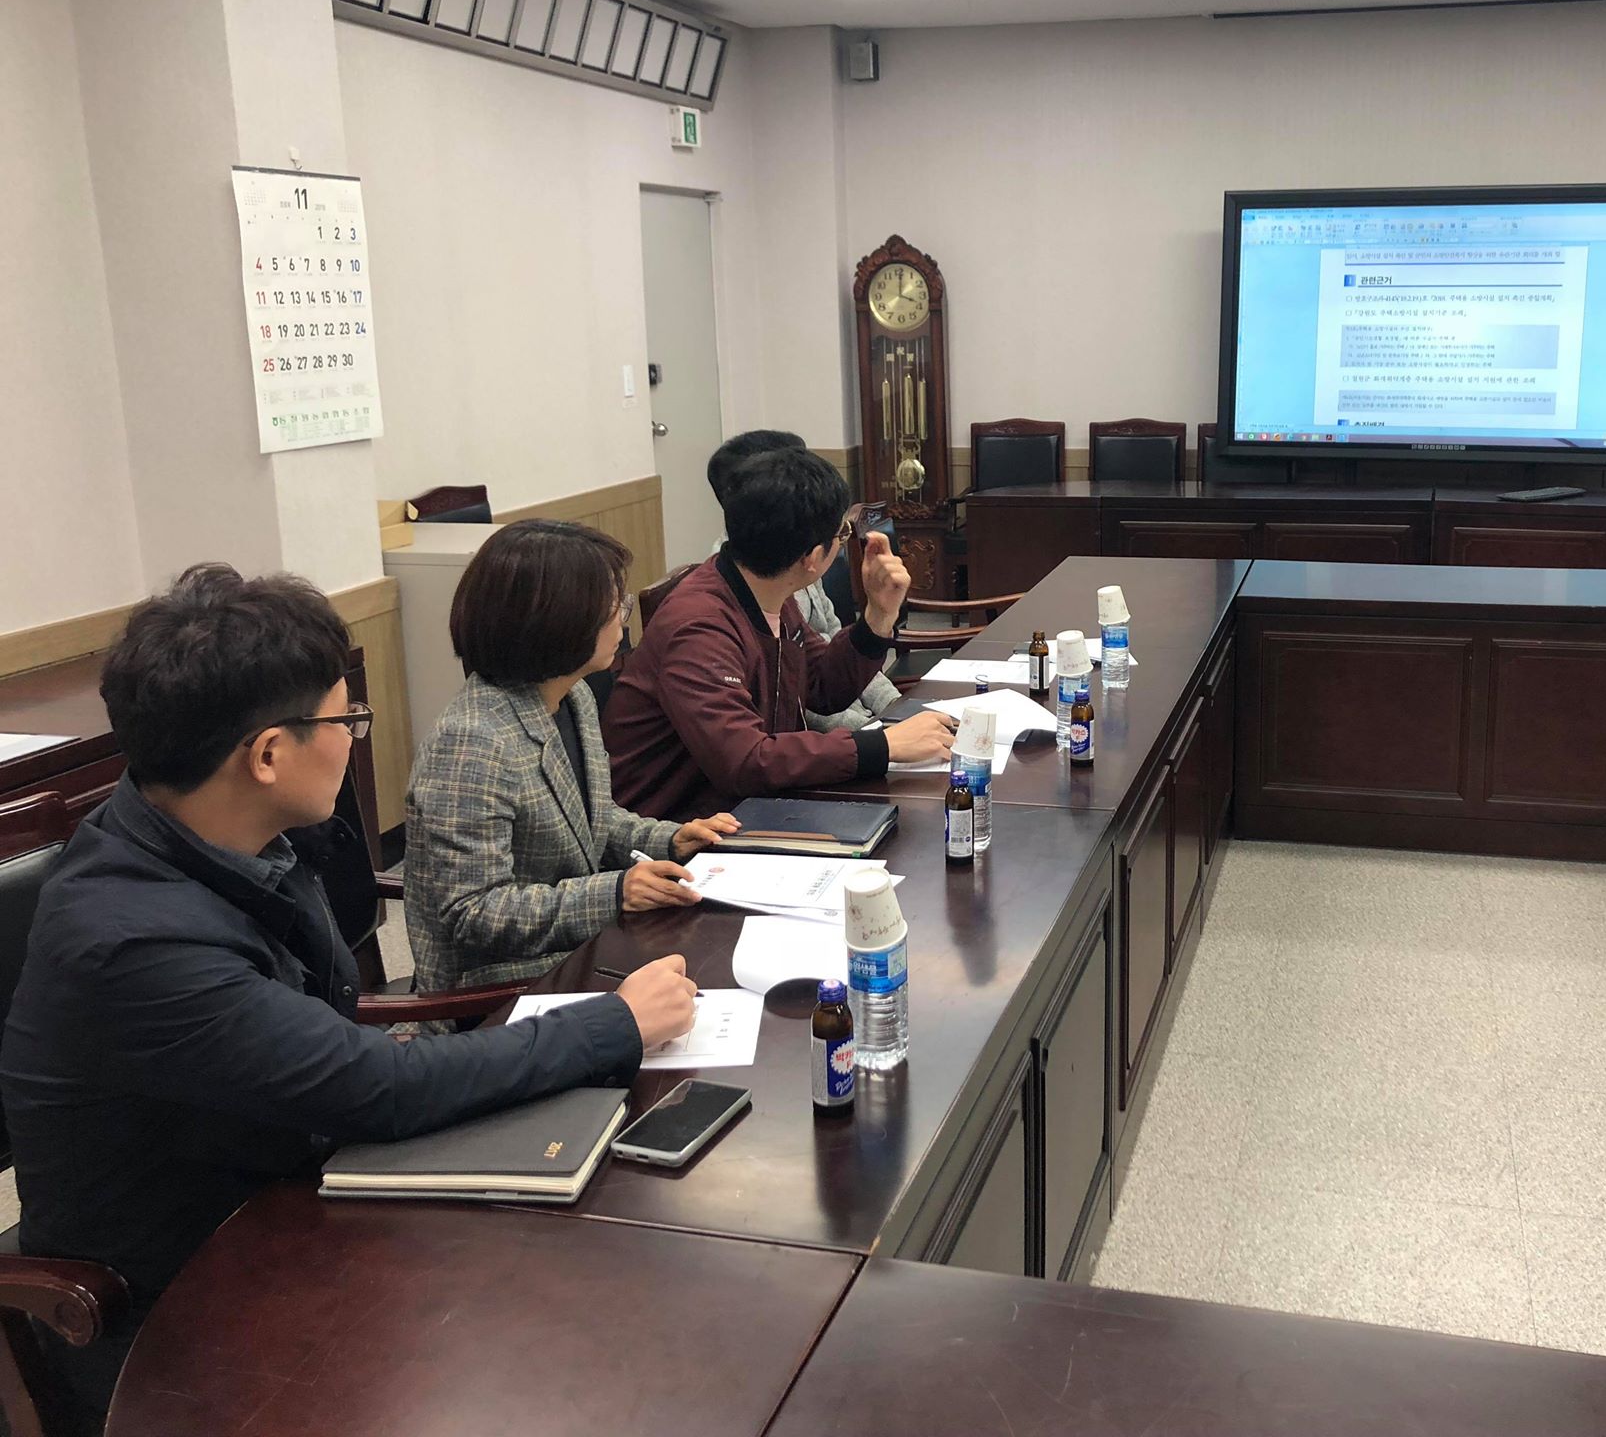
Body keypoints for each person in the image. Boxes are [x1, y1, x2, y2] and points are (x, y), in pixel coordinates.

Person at [0, 566, 700, 1427]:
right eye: (345, 721)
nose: (354, 738)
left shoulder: (222, 834)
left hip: (288, 1184)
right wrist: (614, 1023)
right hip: (180, 1297)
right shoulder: (134, 942)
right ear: (267, 754)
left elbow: (329, 1038)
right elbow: (372, 1087)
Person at [405, 519, 739, 1000]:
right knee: (703, 975)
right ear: (560, 623)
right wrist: (614, 892)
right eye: (614, 608)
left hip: (574, 949)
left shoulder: (572, 695)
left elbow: (592, 821)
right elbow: (474, 913)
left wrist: (670, 840)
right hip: (497, 987)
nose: (623, 620)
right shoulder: (472, 741)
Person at [604, 446, 957, 816]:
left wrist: (878, 615)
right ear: (812, 558)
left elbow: (822, 688)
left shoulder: (767, 590)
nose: (843, 542)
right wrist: (882, 746)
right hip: (677, 827)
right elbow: (743, 761)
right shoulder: (698, 627)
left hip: (748, 806)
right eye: (842, 533)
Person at [704, 430, 903, 732]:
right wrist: (879, 736)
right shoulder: (717, 610)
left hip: (839, 732)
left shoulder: (781, 579)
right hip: (816, 739)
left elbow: (821, 680)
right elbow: (754, 746)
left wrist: (897, 710)